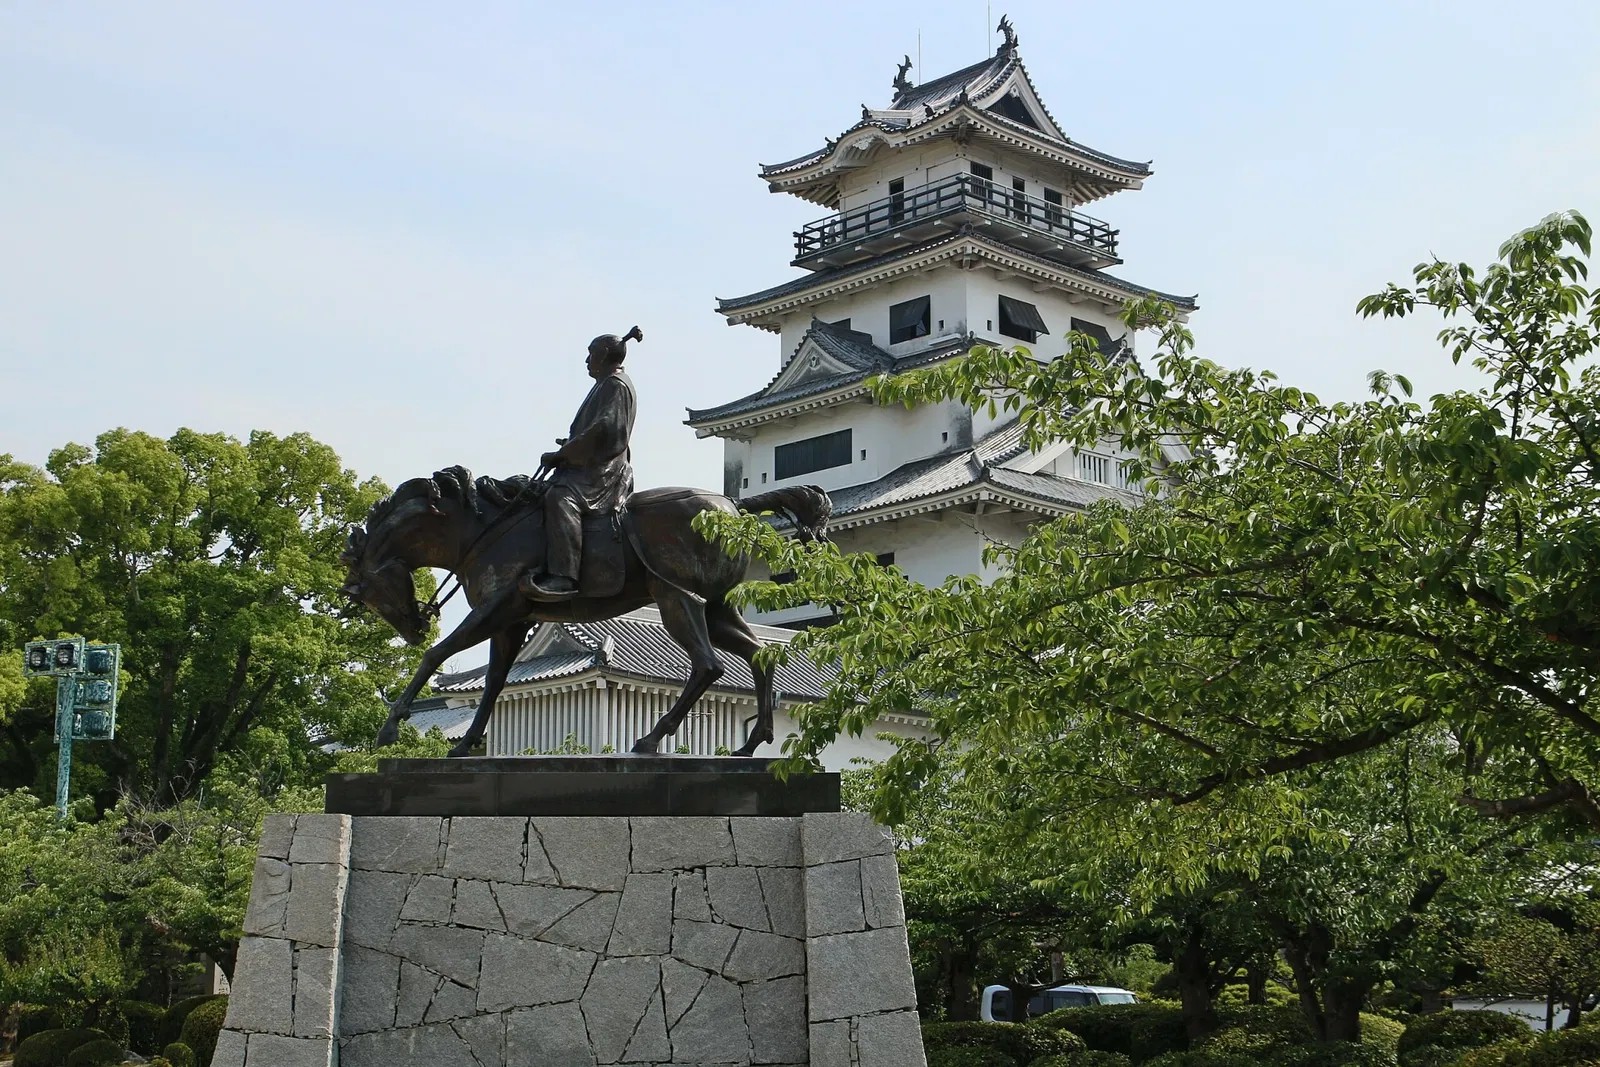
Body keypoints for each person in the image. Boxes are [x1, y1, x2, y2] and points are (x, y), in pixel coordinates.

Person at [520, 326, 642, 601]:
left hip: (602, 470)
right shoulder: (606, 385)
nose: (587, 361)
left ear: (606, 355)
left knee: (560, 498)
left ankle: (564, 576)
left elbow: (605, 429)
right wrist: (569, 445)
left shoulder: (615, 384)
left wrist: (564, 454)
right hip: (591, 463)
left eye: (591, 354)